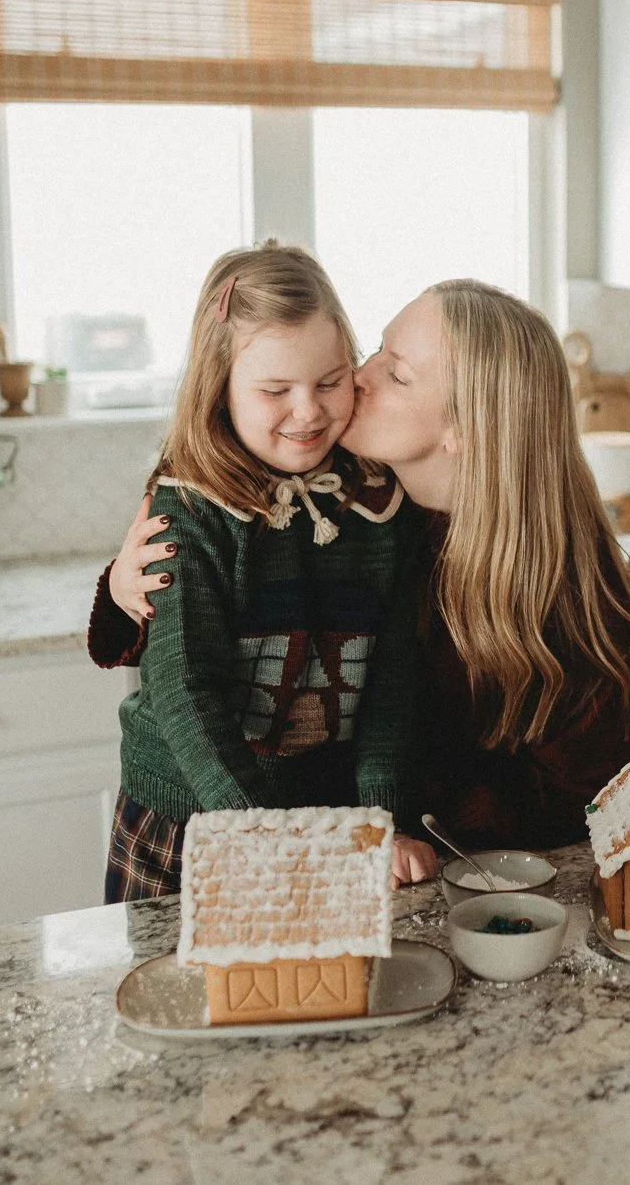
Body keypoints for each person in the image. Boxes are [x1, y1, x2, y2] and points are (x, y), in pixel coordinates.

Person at [100, 279, 630, 854]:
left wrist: (413, 828)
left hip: (469, 876)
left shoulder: (562, 587)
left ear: (463, 428)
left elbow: (584, 800)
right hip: (308, 838)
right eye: (375, 351)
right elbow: (220, 613)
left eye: (398, 373)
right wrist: (124, 589)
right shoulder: (355, 497)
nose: (356, 376)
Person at [93, 242, 434, 903]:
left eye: (330, 382)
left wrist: (381, 816)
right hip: (190, 818)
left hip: (325, 818)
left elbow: (392, 677)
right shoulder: (190, 508)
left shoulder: (376, 502)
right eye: (275, 390)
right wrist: (261, 834)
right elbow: (186, 690)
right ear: (219, 388)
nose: (308, 411)